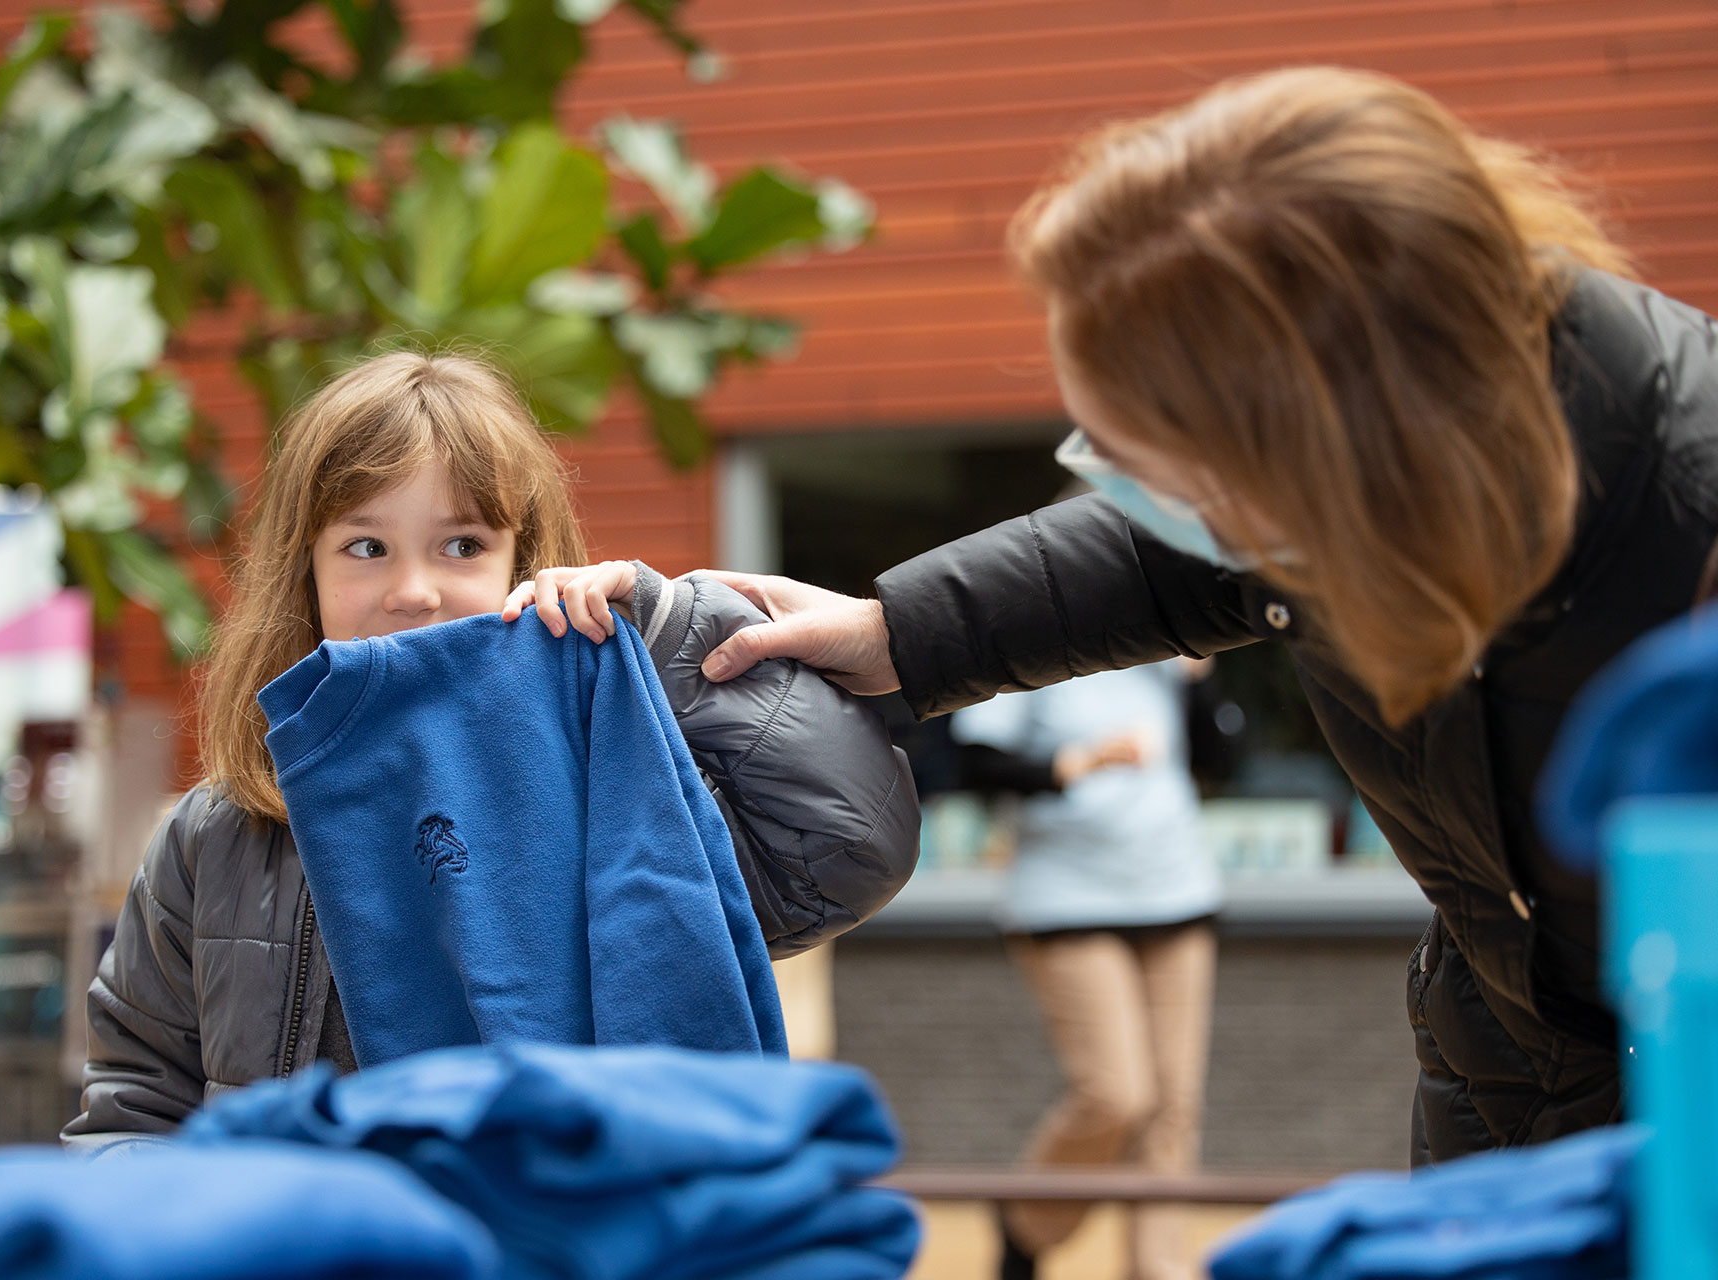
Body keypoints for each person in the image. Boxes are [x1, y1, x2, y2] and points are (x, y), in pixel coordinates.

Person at [693, 66, 1718, 1166]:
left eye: (1144, 459)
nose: (1126, 490)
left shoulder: (1686, 522)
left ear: (1318, 437)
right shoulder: (1377, 477)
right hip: (1515, 1075)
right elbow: (1166, 556)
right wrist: (902, 630)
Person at [62, 352, 920, 1146]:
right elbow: (132, 1104)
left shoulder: (613, 785)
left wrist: (668, 631)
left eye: (462, 545)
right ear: (305, 575)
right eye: (365, 547)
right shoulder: (215, 836)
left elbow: (850, 845)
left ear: (529, 566)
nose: (414, 591)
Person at [953, 662, 1219, 1280]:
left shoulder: (1160, 659)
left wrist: (1201, 680)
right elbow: (974, 767)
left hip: (1176, 892)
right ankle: (1025, 1223)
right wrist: (1076, 764)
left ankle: (1159, 1267)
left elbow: (1218, 760)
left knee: (1173, 1107)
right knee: (1117, 1094)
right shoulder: (1029, 654)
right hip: (1065, 901)